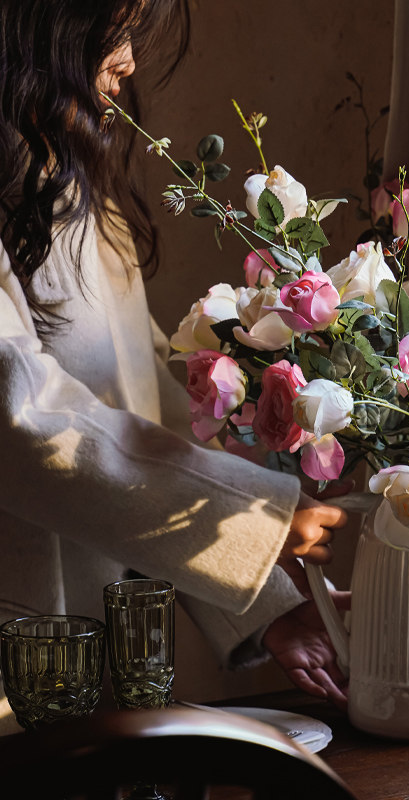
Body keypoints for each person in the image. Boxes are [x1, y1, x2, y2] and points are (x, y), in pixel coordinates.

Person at [0, 0, 349, 707]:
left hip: (91, 656)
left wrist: (267, 601)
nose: (127, 61)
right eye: (109, 33)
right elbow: (21, 422)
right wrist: (260, 519)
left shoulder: (68, 185)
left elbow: (143, 409)